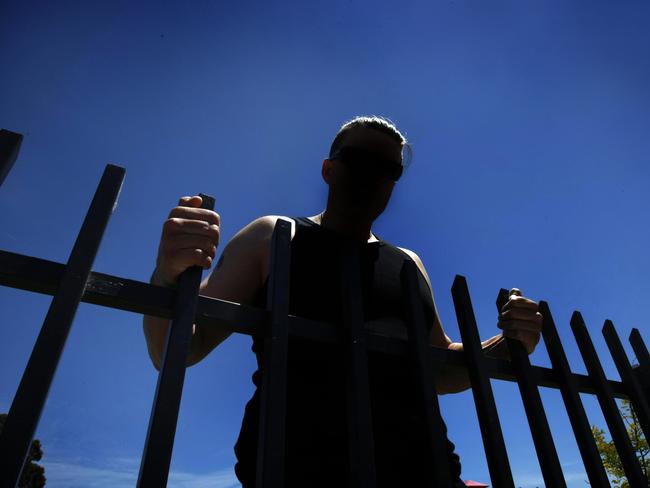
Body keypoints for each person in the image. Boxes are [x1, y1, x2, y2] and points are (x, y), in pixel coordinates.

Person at [142, 116, 543, 487]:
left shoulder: (408, 264)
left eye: (388, 169)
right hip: (298, 472)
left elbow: (439, 368)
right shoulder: (275, 236)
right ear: (328, 169)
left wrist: (509, 343)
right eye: (359, 159)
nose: (373, 174)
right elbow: (177, 348)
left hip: (425, 473)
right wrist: (167, 275)